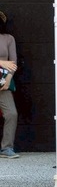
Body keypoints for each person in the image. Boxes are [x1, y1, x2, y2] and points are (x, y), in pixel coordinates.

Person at [0, 11, 19, 159]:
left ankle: (6, 148)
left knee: (11, 113)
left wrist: (8, 79)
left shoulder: (8, 39)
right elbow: (6, 62)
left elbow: (13, 62)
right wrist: (1, 62)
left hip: (3, 83)